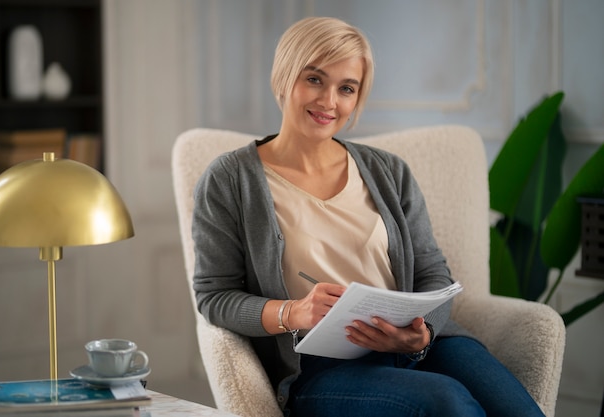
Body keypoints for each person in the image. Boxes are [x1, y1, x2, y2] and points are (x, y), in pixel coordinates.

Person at [192, 16, 545, 417]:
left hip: (423, 347)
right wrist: (293, 312)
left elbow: (433, 273)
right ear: (284, 77)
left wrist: (422, 332)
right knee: (446, 402)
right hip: (323, 369)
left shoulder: (389, 172)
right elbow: (214, 297)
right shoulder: (229, 179)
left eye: (346, 88)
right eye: (314, 79)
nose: (329, 102)